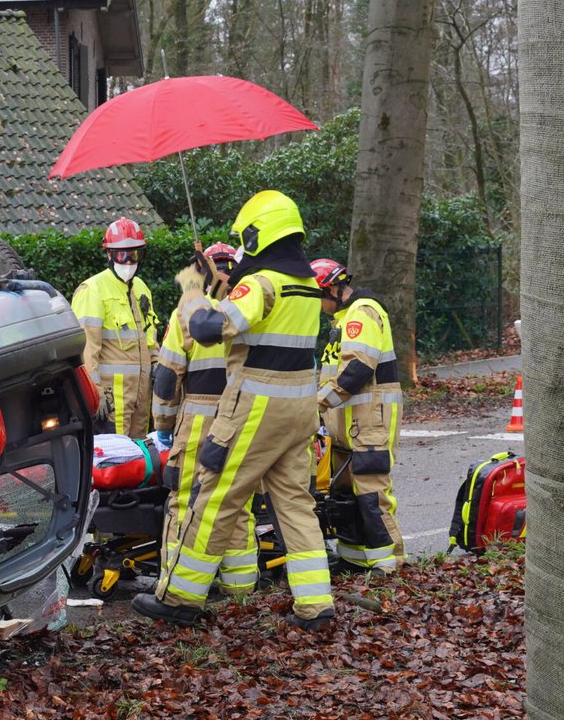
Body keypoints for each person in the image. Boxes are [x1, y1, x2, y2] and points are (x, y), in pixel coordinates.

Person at [133, 190, 335, 630]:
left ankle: (180, 598)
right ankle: (316, 604)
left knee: (215, 497)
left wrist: (191, 291)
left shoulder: (261, 284)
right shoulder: (306, 286)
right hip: (300, 408)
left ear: (258, 233)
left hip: (255, 410)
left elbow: (210, 329)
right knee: (296, 504)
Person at [151, 242, 258, 598]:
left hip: (198, 421)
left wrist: (163, 429)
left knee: (184, 501)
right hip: (242, 417)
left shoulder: (187, 311)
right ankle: (240, 590)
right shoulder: (250, 310)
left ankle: (175, 585)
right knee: (236, 502)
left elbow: (167, 379)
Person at [312, 258, 404, 573]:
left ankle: (387, 563)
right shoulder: (342, 319)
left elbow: (358, 369)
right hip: (346, 422)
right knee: (344, 491)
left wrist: (318, 403)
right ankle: (354, 558)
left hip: (369, 419)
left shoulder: (362, 313)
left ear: (334, 288)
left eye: (319, 296)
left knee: (370, 489)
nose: (319, 305)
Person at [71, 218, 158, 438]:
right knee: (113, 463)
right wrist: (94, 392)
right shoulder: (93, 289)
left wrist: (158, 367)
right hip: (110, 401)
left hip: (141, 397)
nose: (128, 262)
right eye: (121, 255)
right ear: (109, 255)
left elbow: (150, 339)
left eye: (134, 255)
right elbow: (85, 349)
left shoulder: (141, 288)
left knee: (139, 459)